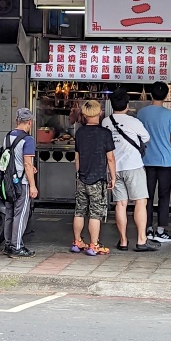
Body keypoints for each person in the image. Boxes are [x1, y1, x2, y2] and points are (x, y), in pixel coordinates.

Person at [103, 89, 159, 252]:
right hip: (133, 166)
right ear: (127, 105)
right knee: (140, 202)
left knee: (121, 204)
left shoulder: (106, 122)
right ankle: (141, 240)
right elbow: (146, 138)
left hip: (114, 169)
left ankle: (123, 241)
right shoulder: (133, 122)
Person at [137, 81, 171, 243]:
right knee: (164, 196)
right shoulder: (169, 115)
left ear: (150, 94)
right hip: (166, 161)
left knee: (146, 196)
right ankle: (161, 230)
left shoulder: (142, 113)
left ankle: (147, 228)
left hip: (146, 160)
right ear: (165, 96)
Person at [73, 100, 114, 256]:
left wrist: (79, 174)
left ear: (84, 114)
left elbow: (77, 158)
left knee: (79, 211)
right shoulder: (105, 133)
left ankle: (77, 242)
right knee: (95, 213)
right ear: (100, 113)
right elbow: (110, 158)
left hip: (82, 178)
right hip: (98, 179)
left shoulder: (79, 133)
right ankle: (94, 245)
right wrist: (113, 176)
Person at [3, 108, 38, 258]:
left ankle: (8, 244)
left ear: (16, 120)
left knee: (9, 213)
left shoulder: (7, 137)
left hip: (8, 181)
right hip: (21, 182)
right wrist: (33, 185)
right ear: (29, 122)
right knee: (21, 214)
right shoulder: (28, 140)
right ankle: (17, 246)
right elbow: (27, 164)